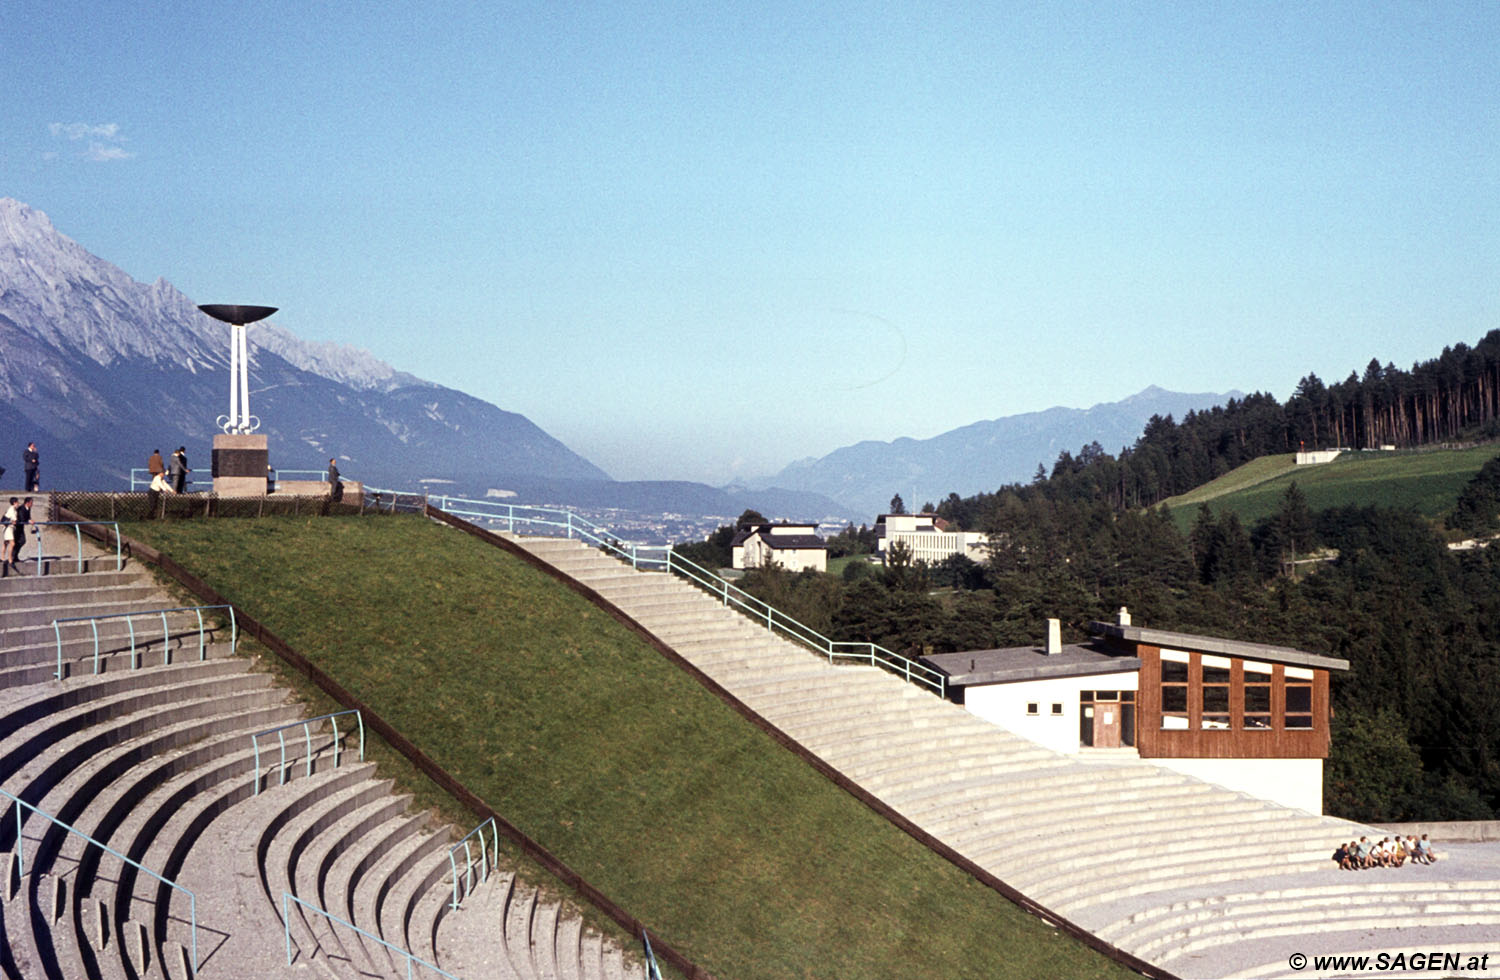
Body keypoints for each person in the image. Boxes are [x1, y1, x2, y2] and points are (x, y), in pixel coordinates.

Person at [10, 497, 32, 569]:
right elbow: (22, 518)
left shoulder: (28, 508)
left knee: (22, 541)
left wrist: (30, 520)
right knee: (17, 542)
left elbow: (28, 517)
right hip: (16, 527)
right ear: (27, 503)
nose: (32, 504)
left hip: (21, 527)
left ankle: (15, 556)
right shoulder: (21, 508)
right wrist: (28, 521)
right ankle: (13, 557)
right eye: (31, 502)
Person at [1, 497, 16, 573]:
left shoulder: (10, 509)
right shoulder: (12, 509)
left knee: (6, 543)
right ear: (14, 503)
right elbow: (14, 519)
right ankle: (10, 559)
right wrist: (14, 521)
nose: (18, 504)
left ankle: (2, 557)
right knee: (12, 543)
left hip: (7, 528)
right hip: (8, 528)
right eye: (17, 502)